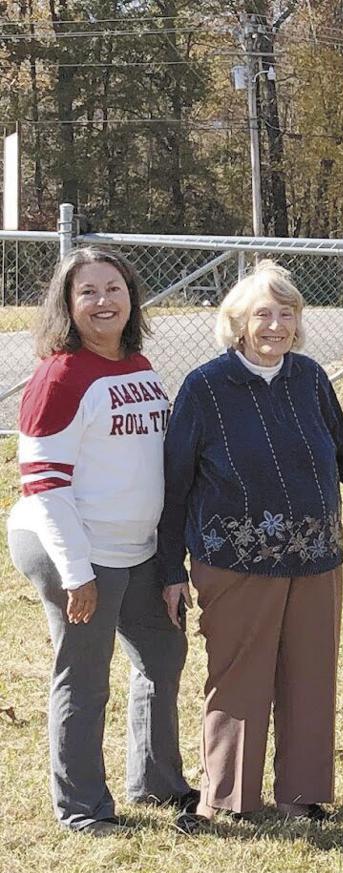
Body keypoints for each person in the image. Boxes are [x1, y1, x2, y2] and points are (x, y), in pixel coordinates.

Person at [159, 260, 343, 833]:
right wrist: (169, 567)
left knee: (311, 674)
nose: (276, 325)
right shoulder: (205, 387)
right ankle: (227, 799)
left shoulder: (308, 378)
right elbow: (175, 482)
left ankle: (301, 795)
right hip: (235, 561)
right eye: (263, 314)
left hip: (316, 558)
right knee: (238, 678)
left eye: (287, 314)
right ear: (238, 322)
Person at [8, 248, 195, 835]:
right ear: (67, 305)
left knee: (162, 657)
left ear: (131, 296)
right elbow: (43, 485)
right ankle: (83, 808)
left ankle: (158, 784)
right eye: (87, 291)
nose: (103, 300)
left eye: (113, 287)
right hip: (73, 547)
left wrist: (169, 562)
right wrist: (76, 571)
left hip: (136, 548)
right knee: (85, 678)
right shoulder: (59, 376)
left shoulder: (139, 365)